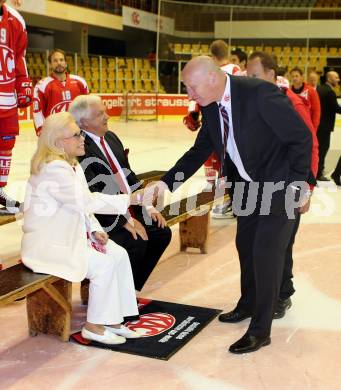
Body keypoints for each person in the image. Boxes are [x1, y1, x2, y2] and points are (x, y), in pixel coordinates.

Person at [149, 56, 312, 354]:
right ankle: (248, 303)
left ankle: (260, 330)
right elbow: (200, 150)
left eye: (192, 86)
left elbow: (300, 138)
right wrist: (167, 183)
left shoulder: (259, 94)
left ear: (212, 78)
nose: (189, 94)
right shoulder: (211, 106)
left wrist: (301, 184)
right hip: (247, 187)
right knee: (245, 246)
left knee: (266, 252)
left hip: (281, 185)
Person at [21, 112, 146, 345]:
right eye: (76, 135)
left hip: (69, 237)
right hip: (49, 245)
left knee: (118, 254)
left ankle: (115, 319)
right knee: (104, 265)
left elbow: (81, 205)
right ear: (59, 142)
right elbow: (85, 202)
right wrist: (129, 199)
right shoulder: (53, 168)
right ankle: (94, 326)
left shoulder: (70, 165)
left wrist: (95, 228)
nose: (82, 139)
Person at [69, 95, 172, 292]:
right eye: (100, 114)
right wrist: (124, 219)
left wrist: (147, 206)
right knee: (136, 242)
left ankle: (130, 290)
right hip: (105, 215)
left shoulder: (111, 137)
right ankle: (117, 297)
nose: (107, 116)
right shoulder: (80, 148)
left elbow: (128, 175)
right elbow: (94, 196)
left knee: (161, 233)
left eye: (105, 111)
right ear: (83, 123)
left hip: (128, 204)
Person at [247, 51, 318, 318]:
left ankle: (282, 293)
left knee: (281, 244)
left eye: (255, 75)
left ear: (271, 75)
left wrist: (306, 189)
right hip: (263, 186)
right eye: (247, 76)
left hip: (290, 185)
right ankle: (264, 291)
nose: (250, 81)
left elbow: (310, 144)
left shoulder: (291, 103)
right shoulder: (254, 103)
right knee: (262, 243)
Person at [183, 39, 240, 219]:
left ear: (212, 55)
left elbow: (195, 98)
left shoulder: (209, 72)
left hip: (213, 122)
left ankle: (216, 190)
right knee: (231, 162)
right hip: (234, 124)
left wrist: (193, 115)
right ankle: (231, 199)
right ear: (228, 53)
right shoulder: (237, 70)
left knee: (210, 155)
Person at [0, 0, 32, 212]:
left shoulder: (16, 20)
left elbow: (19, 56)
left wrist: (23, 84)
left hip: (6, 96)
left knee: (6, 143)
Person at [33, 48, 89, 136]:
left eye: (61, 60)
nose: (59, 63)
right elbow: (38, 111)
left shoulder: (80, 82)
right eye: (55, 61)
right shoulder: (41, 86)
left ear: (66, 63)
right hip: (54, 133)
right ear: (50, 64)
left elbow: (87, 107)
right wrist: (40, 130)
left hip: (77, 132)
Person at [316, 71, 341, 181]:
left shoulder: (319, 88)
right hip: (325, 126)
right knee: (323, 149)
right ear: (329, 78)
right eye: (336, 77)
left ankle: (316, 170)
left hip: (318, 124)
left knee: (318, 149)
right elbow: (336, 108)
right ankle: (318, 172)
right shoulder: (329, 92)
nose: (338, 79)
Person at [290, 67, 321, 131]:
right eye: (292, 76)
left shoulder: (311, 91)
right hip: (293, 126)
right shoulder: (288, 91)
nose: (294, 78)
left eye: (296, 76)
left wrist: (314, 128)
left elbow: (316, 111)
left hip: (307, 126)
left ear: (302, 77)